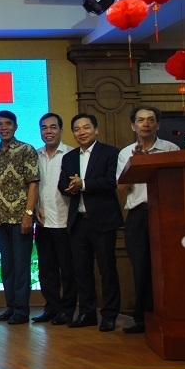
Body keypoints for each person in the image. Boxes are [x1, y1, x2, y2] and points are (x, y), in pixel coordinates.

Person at [116, 106, 179, 334]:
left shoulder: (171, 149)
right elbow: (122, 187)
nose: (145, 124)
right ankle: (142, 320)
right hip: (137, 216)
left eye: (150, 120)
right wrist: (138, 165)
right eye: (140, 120)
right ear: (133, 126)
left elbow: (174, 184)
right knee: (141, 268)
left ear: (158, 125)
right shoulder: (126, 153)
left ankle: (169, 315)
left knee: (166, 267)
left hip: (165, 215)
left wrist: (149, 164)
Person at [58, 113, 124, 332]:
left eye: (86, 128)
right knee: (81, 270)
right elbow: (61, 185)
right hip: (78, 221)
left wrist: (83, 184)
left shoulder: (110, 153)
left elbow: (110, 181)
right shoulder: (68, 157)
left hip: (103, 221)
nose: (82, 132)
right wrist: (68, 188)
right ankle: (87, 312)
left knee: (107, 269)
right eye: (77, 129)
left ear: (96, 130)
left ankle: (110, 314)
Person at [0, 110, 39, 326]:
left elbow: (33, 183)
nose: (4, 127)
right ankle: (10, 307)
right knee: (7, 265)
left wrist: (28, 214)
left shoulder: (26, 150)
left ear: (16, 126)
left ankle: (22, 309)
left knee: (21, 265)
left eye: (8, 123)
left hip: (20, 218)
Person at [32, 113, 76, 326]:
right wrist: (34, 207)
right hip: (42, 220)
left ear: (61, 130)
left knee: (68, 270)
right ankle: (51, 308)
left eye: (53, 127)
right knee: (46, 269)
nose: (48, 131)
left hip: (65, 221)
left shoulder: (71, 154)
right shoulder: (35, 155)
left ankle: (68, 310)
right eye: (44, 128)